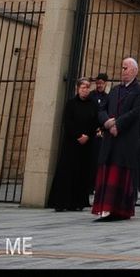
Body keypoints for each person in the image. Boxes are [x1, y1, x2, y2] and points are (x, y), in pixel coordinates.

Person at [90, 57, 140, 222]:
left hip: (125, 140)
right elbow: (102, 109)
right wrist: (106, 122)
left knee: (120, 173)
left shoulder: (139, 91)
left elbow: (135, 112)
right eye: (122, 68)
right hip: (110, 139)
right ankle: (104, 208)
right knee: (107, 172)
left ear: (134, 71)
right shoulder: (114, 90)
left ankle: (119, 210)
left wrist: (118, 125)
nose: (122, 71)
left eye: (125, 68)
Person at [47, 77, 100, 212]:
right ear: (78, 89)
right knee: (67, 172)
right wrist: (78, 136)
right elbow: (68, 122)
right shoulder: (71, 104)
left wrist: (87, 135)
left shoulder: (93, 104)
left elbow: (95, 122)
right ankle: (62, 202)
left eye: (87, 88)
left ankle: (77, 202)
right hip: (72, 143)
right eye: (83, 88)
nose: (85, 90)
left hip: (86, 144)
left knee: (82, 173)